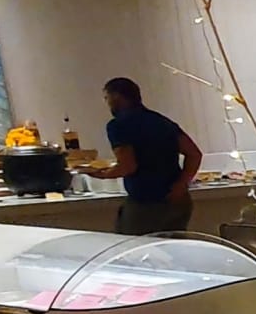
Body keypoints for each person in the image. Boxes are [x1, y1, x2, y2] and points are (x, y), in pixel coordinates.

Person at [84, 76, 201, 234]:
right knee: (174, 246)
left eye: (107, 98)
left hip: (145, 202)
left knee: (134, 246)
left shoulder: (118, 125)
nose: (107, 103)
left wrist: (101, 174)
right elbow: (194, 154)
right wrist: (181, 184)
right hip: (177, 200)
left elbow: (128, 166)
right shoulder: (161, 121)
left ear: (117, 96)